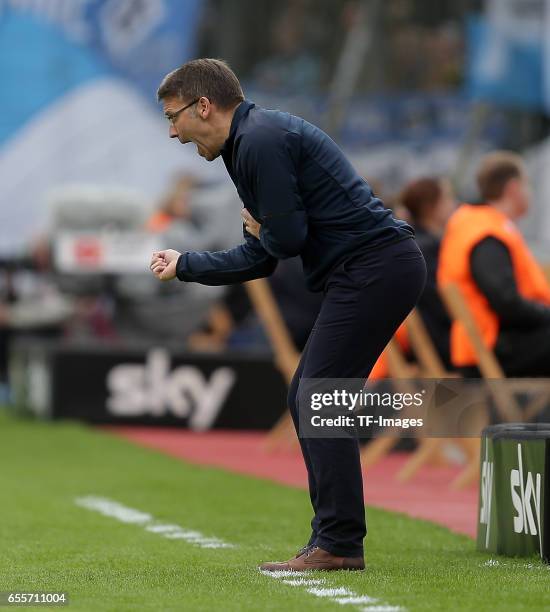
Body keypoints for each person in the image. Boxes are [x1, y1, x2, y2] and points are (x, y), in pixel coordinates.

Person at [150, 58, 426, 571]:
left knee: (318, 396)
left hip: (376, 268)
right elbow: (265, 253)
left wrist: (262, 234)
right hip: (370, 270)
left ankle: (340, 543)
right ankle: (335, 538)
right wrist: (186, 264)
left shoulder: (258, 141)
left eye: (173, 116)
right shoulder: (247, 142)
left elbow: (284, 239)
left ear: (203, 106)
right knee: (309, 396)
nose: (171, 132)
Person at [438, 151, 550, 376]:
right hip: (493, 347)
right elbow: (506, 301)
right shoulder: (486, 235)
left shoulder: (475, 224)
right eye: (527, 186)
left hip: (489, 343)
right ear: (513, 188)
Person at [400, 177, 455, 369]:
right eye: (447, 199)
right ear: (430, 207)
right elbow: (443, 304)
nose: (452, 205)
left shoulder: (410, 243)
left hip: (424, 344)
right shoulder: (428, 248)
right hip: (444, 343)